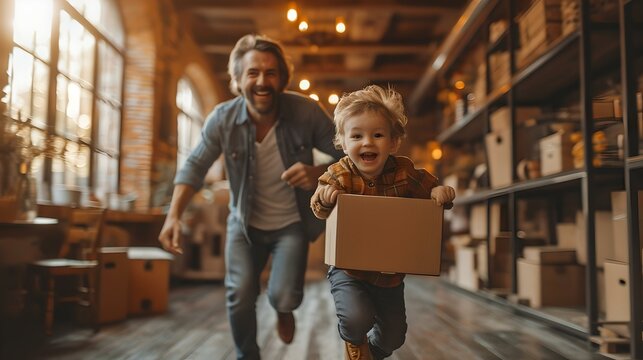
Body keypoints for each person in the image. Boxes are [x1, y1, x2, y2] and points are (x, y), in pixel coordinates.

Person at [158, 34, 343, 360]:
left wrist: (317, 173)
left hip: (291, 225)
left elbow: (348, 154)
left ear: (282, 78)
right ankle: (248, 355)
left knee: (285, 296)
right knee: (240, 295)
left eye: (271, 73)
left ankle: (284, 309)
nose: (262, 81)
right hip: (244, 224)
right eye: (253, 73)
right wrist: (173, 215)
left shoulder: (306, 112)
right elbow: (196, 165)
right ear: (238, 79)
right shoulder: (223, 119)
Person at [310, 85, 455, 360]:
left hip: (388, 275)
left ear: (393, 142)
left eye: (377, 135)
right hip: (348, 269)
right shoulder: (339, 174)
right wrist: (326, 198)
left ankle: (373, 353)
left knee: (394, 335)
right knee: (356, 318)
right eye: (357, 136)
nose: (367, 142)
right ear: (343, 141)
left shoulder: (404, 171)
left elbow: (431, 190)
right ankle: (354, 342)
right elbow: (318, 205)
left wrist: (439, 193)